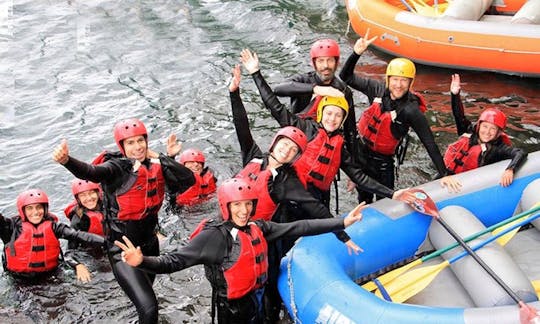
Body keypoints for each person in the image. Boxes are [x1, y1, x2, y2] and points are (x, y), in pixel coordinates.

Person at [114, 177, 366, 324]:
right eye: (237, 205)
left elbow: (298, 226)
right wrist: (142, 261)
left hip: (256, 298)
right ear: (226, 206)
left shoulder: (259, 227)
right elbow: (174, 261)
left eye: (247, 205)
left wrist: (341, 222)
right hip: (230, 310)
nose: (243, 211)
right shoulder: (213, 237)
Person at [229, 64, 365, 322]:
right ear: (275, 142)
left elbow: (313, 210)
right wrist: (235, 93)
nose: (287, 150)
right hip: (235, 233)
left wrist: (342, 232)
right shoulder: (253, 157)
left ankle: (271, 314)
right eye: (284, 144)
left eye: (293, 150)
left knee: (267, 283)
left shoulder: (288, 183)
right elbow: (242, 126)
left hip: (264, 233)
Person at [52, 118, 195, 324]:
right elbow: (91, 172)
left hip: (149, 246)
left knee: (146, 299)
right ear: (122, 146)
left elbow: (188, 180)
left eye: (140, 141)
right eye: (130, 143)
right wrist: (67, 161)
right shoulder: (116, 168)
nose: (137, 147)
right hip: (122, 249)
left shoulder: (154, 165)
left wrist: (162, 157)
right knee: (150, 308)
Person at [239, 49, 403, 210]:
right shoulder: (303, 127)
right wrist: (255, 73)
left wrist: (393, 194)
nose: (332, 119)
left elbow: (359, 177)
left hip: (318, 197)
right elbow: (273, 105)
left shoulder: (339, 148)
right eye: (329, 113)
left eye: (338, 116)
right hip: (292, 195)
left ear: (342, 120)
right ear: (320, 113)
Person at [339, 30, 448, 203]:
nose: (398, 85)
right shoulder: (376, 89)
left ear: (410, 83)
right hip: (361, 156)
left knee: (385, 202)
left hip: (383, 164)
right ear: (388, 79)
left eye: (404, 80)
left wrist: (444, 174)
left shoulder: (411, 110)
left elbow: (429, 142)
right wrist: (356, 53)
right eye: (395, 80)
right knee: (364, 200)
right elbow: (345, 77)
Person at [440, 74, 528, 192]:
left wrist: (510, 169)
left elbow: (520, 153)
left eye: (493, 129)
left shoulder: (498, 148)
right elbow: (459, 116)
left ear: (498, 133)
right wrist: (455, 95)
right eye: (485, 126)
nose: (487, 132)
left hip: (470, 184)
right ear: (479, 126)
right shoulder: (470, 132)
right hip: (450, 174)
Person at [273, 38, 359, 159]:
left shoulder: (343, 91)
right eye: (321, 61)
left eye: (330, 61)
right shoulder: (303, 81)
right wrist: (316, 89)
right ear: (314, 63)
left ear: (336, 62)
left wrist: (353, 158)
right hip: (299, 139)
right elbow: (278, 90)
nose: (326, 66)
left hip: (324, 146)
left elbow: (350, 129)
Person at [0, 189, 104, 280]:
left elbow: (78, 235)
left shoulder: (55, 227)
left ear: (45, 209)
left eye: (39, 207)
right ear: (22, 211)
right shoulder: (9, 228)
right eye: (30, 208)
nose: (35, 212)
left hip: (51, 275)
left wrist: (107, 243)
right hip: (19, 279)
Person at [63, 178, 105, 282]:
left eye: (91, 193)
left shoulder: (109, 207)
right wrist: (78, 266)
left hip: (111, 246)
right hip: (90, 254)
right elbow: (69, 252)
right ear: (78, 199)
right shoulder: (78, 220)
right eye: (83, 195)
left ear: (98, 193)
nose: (89, 198)